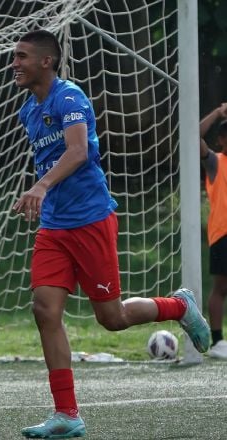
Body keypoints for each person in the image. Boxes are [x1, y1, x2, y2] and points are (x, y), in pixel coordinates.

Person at [11, 30, 209, 439]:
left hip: (90, 220)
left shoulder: (69, 97)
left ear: (47, 61)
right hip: (54, 226)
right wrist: (42, 194)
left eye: (23, 56)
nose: (15, 63)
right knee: (44, 309)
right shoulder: (28, 111)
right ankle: (67, 414)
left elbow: (79, 151)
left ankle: (177, 306)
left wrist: (41, 185)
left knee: (112, 318)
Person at [199, 102, 227, 359]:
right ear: (221, 140)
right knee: (220, 288)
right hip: (223, 233)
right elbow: (193, 135)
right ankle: (218, 341)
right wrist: (217, 112)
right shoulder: (216, 163)